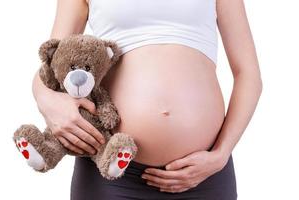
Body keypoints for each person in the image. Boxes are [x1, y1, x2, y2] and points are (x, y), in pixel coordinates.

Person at [32, 0, 262, 199]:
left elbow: (248, 74)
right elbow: (51, 63)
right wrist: (51, 106)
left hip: (204, 174)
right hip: (111, 170)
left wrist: (221, 154)